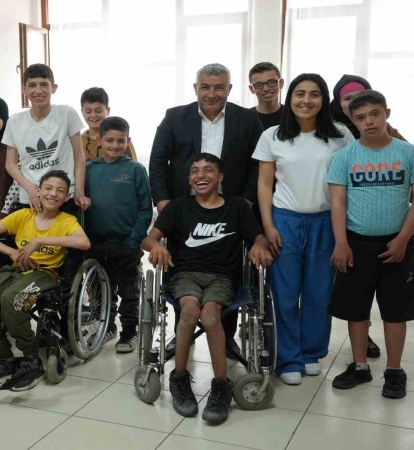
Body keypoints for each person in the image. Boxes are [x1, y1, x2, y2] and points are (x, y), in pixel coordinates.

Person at [142, 154, 274, 424]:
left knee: (211, 315)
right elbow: (148, 239)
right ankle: (179, 379)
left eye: (208, 170)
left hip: (222, 277)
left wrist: (259, 246)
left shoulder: (237, 207)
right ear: (189, 178)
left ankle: (221, 385)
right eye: (194, 171)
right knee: (190, 311)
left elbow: (258, 237)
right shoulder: (178, 207)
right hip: (184, 275)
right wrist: (156, 246)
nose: (200, 175)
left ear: (220, 177)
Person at [149, 62, 264, 360]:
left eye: (219, 87)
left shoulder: (247, 119)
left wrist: (247, 201)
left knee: (226, 270)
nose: (211, 93)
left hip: (230, 209)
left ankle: (226, 338)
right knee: (183, 269)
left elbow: (257, 165)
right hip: (184, 210)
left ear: (229, 89)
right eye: (205, 87)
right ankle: (182, 335)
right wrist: (163, 202)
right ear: (195, 88)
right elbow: (158, 161)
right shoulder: (175, 117)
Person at [253, 73, 355, 385]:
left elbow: (350, 181)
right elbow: (264, 184)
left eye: (314, 94)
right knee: (284, 294)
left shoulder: (340, 135)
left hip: (326, 222)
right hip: (285, 221)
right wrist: (268, 225)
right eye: (300, 93)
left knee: (319, 292)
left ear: (324, 99)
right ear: (291, 97)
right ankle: (288, 358)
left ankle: (311, 352)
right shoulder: (272, 136)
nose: (306, 100)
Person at [327, 90, 414, 399]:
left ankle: (394, 371)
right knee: (356, 309)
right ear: (352, 121)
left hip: (396, 245)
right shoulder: (344, 157)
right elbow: (338, 203)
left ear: (387, 114)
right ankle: (360, 366)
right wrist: (341, 243)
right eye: (360, 118)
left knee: (395, 311)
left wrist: (403, 239)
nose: (368, 122)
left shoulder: (408, 152)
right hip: (356, 244)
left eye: (375, 114)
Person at [0, 170, 90, 391]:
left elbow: (84, 243)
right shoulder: (23, 215)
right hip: (15, 269)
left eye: (60, 191)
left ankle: (30, 358)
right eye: (48, 188)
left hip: (45, 273)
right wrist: (11, 252)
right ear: (38, 191)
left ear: (66, 197)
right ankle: (6, 359)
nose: (53, 194)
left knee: (12, 299)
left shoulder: (67, 220)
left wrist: (41, 241)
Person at [84, 117, 152, 353]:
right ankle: (107, 327)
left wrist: (134, 240)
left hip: (125, 243)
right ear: (99, 140)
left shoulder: (135, 170)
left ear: (128, 141)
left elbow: (145, 208)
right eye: (109, 140)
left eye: (120, 141)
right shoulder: (89, 169)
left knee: (128, 292)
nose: (114, 145)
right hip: (95, 243)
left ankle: (129, 332)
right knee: (101, 290)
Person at [3, 64, 90, 214]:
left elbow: (79, 156)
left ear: (53, 88)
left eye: (44, 84)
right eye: (32, 85)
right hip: (31, 196)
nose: (38, 91)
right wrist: (30, 188)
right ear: (24, 89)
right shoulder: (14, 121)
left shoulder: (67, 113)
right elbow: (10, 164)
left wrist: (79, 191)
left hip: (64, 194)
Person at [330, 75, 405, 140]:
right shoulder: (328, 128)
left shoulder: (384, 129)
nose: (353, 102)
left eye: (359, 96)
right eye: (348, 98)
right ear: (338, 103)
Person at [79, 87, 137, 161]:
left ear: (108, 110)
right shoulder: (78, 141)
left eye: (98, 111)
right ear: (82, 112)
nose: (93, 115)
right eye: (88, 111)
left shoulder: (121, 139)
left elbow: (133, 164)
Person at [248, 62, 284, 129]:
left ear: (281, 83)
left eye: (271, 82)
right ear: (251, 89)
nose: (266, 89)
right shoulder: (245, 118)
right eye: (259, 85)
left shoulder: (292, 115)